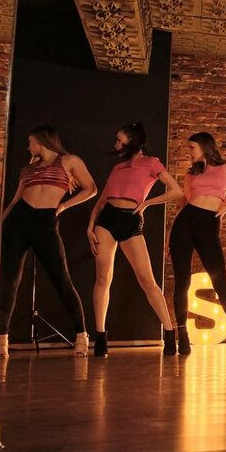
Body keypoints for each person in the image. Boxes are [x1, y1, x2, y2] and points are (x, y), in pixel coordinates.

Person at [0, 126, 96, 357]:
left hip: (45, 222)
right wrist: (0, 225)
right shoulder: (28, 168)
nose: (28, 147)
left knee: (61, 278)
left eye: (30, 142)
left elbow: (91, 188)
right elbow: (15, 200)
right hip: (18, 222)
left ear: (41, 141)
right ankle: (1, 339)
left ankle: (81, 335)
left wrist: (64, 206)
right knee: (9, 281)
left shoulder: (69, 161)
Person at [88, 123, 183, 357]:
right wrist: (89, 227)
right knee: (103, 277)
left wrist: (147, 203)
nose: (116, 145)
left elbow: (176, 191)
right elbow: (101, 201)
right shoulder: (118, 167)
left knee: (147, 280)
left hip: (130, 219)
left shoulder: (151, 163)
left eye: (120, 141)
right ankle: (100, 336)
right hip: (107, 219)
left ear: (133, 142)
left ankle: (169, 333)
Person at [170, 132, 226, 354]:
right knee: (182, 281)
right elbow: (183, 204)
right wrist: (170, 238)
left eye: (192, 147)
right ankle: (183, 337)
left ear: (204, 146)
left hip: (208, 223)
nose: (189, 152)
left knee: (220, 282)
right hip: (185, 223)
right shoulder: (192, 173)